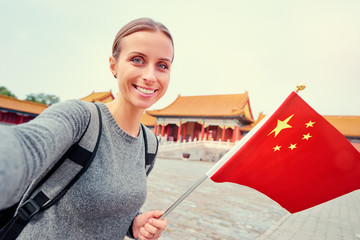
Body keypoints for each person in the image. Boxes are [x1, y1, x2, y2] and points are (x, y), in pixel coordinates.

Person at [0, 17, 174, 240]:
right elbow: (24, 148)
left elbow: (106, 206)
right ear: (113, 65)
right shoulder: (80, 117)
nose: (150, 76)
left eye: (162, 65)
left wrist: (132, 225)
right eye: (137, 60)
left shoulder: (149, 143)